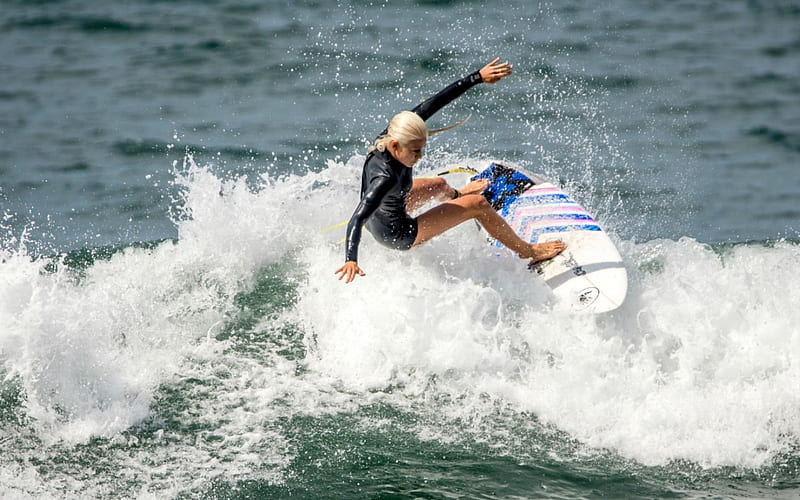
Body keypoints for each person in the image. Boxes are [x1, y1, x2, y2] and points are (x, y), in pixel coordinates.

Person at [335, 58, 566, 283]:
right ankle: (529, 251)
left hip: (389, 209)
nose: (420, 157)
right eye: (415, 152)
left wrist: (476, 77)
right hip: (398, 233)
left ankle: (458, 195)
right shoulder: (384, 179)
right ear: (396, 146)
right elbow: (357, 218)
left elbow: (434, 102)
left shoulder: (392, 135)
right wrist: (350, 259)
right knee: (478, 204)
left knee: (439, 186)